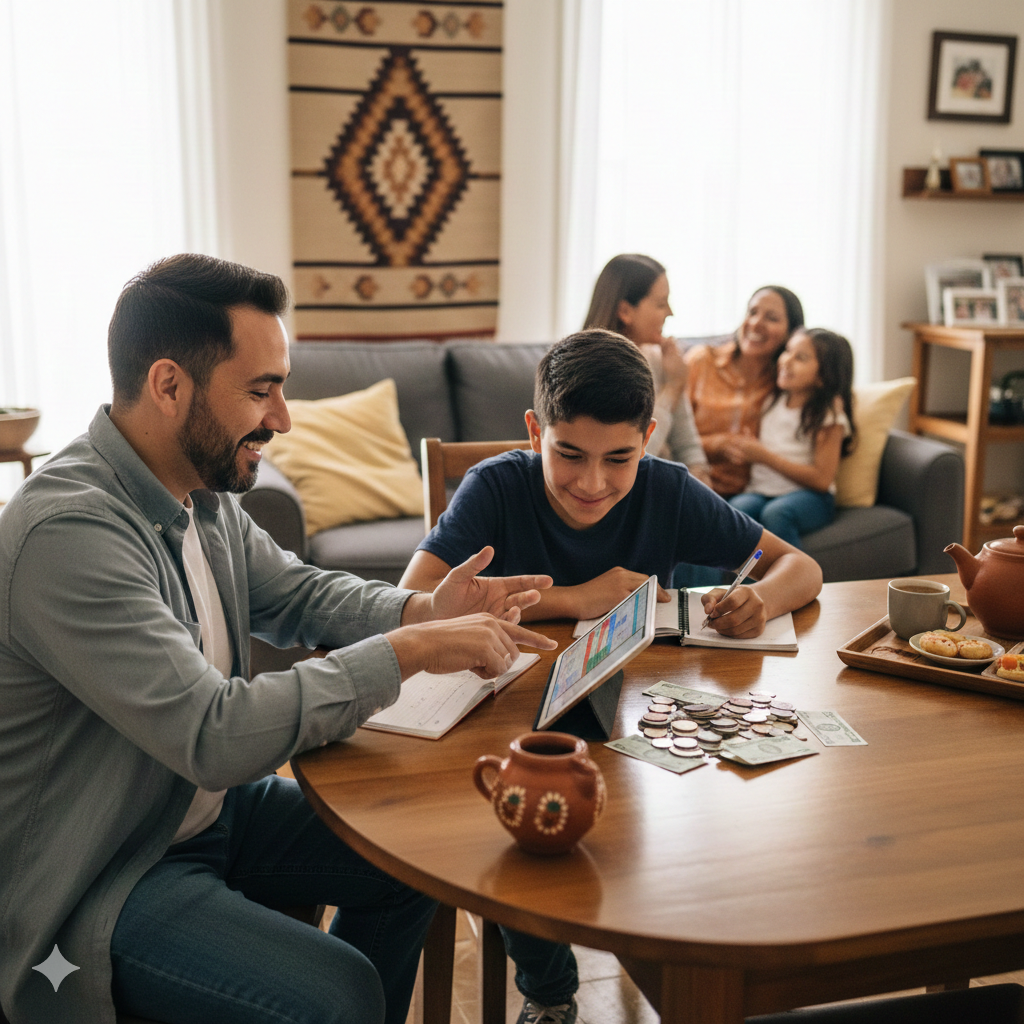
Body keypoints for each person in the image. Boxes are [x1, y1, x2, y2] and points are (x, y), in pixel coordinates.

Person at [0, 254, 563, 1024]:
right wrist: (407, 653)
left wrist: (423, 609)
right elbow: (214, 733)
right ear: (169, 386)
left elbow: (297, 592)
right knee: (340, 993)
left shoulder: (198, 493)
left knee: (413, 863)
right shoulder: (71, 534)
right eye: (261, 390)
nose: (284, 417)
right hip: (103, 872)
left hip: (194, 815)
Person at [400, 329, 822, 635]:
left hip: (642, 702)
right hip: (508, 689)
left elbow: (802, 568)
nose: (592, 483)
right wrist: (577, 598)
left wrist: (762, 598)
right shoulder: (494, 488)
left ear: (645, 441)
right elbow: (412, 598)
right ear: (535, 434)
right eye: (569, 454)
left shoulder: (667, 491)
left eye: (618, 457)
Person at [583, 253, 712, 485]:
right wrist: (672, 388)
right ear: (625, 311)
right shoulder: (591, 371)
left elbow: (689, 449)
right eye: (661, 304)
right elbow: (632, 458)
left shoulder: (659, 359)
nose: (670, 312)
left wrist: (701, 481)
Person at [725, 328, 857, 549]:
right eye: (787, 351)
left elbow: (822, 480)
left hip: (811, 498)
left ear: (824, 376)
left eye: (801, 358)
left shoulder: (827, 415)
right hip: (761, 491)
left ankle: (790, 579)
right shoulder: (772, 401)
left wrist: (764, 456)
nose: (786, 361)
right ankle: (747, 583)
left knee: (777, 513)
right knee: (736, 509)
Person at [685, 285, 805, 497]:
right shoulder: (701, 361)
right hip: (691, 485)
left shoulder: (787, 384)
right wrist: (718, 444)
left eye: (772, 318)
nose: (756, 323)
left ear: (790, 334)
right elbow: (667, 436)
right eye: (752, 312)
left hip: (750, 497)